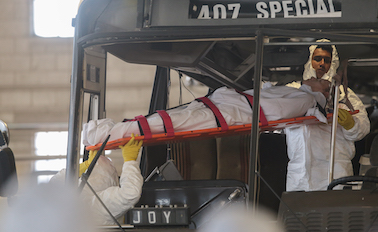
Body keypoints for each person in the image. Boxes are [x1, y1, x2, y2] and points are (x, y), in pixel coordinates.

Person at [82, 79, 331, 147]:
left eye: (323, 81)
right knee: (163, 120)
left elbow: (270, 109)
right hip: (222, 106)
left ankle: (102, 136)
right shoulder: (297, 92)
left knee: (163, 123)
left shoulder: (305, 98)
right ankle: (105, 132)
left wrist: (235, 101)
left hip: (226, 113)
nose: (314, 76)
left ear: (323, 90)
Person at [284, 39, 370, 191]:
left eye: (327, 60)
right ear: (309, 61)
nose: (322, 64)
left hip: (336, 172)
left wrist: (351, 124)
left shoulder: (343, 94)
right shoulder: (292, 92)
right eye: (317, 59)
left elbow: (363, 127)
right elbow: (273, 123)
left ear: (333, 64)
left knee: (337, 213)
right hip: (301, 174)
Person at [50, 135, 144, 225]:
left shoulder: (78, 195)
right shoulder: (99, 204)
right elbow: (130, 193)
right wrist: (130, 162)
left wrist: (84, 166)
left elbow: (55, 184)